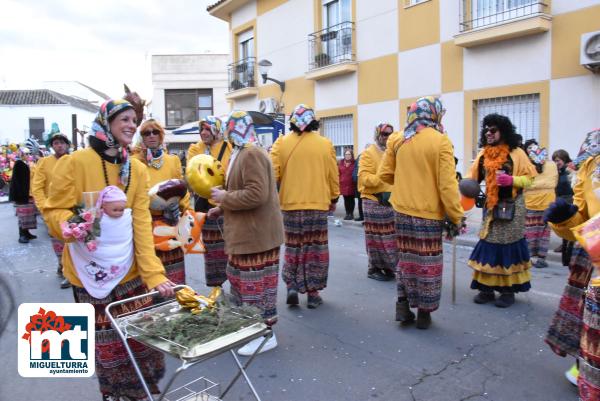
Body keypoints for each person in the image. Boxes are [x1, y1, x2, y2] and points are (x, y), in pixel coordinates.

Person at [44, 99, 174, 401]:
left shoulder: (137, 170)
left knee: (142, 342)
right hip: (88, 274)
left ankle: (141, 394)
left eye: (133, 119)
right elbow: (53, 210)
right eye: (124, 119)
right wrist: (68, 224)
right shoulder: (75, 162)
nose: (131, 125)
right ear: (106, 123)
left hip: (130, 272)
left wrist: (154, 274)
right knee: (108, 349)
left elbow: (141, 223)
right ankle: (116, 395)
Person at [379, 96, 463, 329]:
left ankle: (403, 306)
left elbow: (384, 175)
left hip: (402, 211)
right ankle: (424, 313)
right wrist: (456, 216)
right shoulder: (441, 141)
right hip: (428, 214)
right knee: (428, 264)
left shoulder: (398, 139)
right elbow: (447, 186)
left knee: (405, 260)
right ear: (434, 114)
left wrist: (406, 178)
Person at [209, 110, 284, 356]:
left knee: (256, 289)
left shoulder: (250, 153)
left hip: (256, 237)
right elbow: (244, 190)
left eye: (227, 129)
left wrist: (224, 197)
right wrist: (221, 208)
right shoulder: (243, 151)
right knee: (245, 286)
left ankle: (264, 335)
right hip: (250, 235)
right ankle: (252, 330)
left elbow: (256, 194)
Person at [545, 129, 600, 392]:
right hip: (595, 257)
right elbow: (584, 220)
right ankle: (585, 368)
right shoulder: (590, 162)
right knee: (591, 326)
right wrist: (565, 217)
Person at [270, 104, 340, 309]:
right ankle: (313, 293)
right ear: (313, 122)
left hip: (290, 206)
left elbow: (273, 175)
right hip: (317, 205)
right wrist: (334, 199)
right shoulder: (325, 144)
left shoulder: (280, 144)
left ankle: (292, 285)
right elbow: (332, 176)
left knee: (293, 247)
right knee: (315, 249)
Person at [467, 113, 537, 308]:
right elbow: (472, 179)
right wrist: (461, 185)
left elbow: (531, 179)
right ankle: (486, 289)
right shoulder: (483, 154)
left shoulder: (517, 153)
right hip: (490, 207)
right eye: (486, 129)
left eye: (493, 130)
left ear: (503, 131)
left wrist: (513, 180)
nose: (488, 133)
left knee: (508, 245)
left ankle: (507, 291)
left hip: (513, 206)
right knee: (488, 243)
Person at [133, 119, 189, 284]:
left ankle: (177, 302)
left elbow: (181, 188)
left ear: (161, 135)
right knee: (151, 270)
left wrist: (182, 209)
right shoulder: (134, 161)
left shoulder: (172, 160)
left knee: (175, 272)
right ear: (141, 137)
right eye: (146, 133)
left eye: (155, 132)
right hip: (146, 224)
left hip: (171, 222)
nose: (151, 136)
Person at [187, 116, 232, 287]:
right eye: (201, 129)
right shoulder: (195, 149)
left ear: (216, 130)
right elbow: (193, 174)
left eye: (207, 129)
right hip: (207, 207)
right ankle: (216, 288)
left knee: (232, 248)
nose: (203, 133)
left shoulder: (229, 147)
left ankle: (234, 283)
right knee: (212, 251)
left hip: (227, 205)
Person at [31, 123, 71, 289]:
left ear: (67, 144)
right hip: (52, 210)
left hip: (71, 209)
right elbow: (37, 187)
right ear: (52, 146)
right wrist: (43, 207)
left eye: (62, 142)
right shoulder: (44, 162)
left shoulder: (74, 160)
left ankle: (69, 272)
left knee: (73, 241)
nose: (59, 145)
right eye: (56, 143)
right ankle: (62, 266)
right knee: (58, 241)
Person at [358, 123, 397, 282]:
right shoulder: (368, 153)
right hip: (373, 200)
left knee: (389, 238)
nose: (387, 137)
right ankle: (373, 268)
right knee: (375, 237)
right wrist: (382, 180)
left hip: (390, 202)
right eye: (384, 134)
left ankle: (387, 266)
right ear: (378, 135)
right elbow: (364, 178)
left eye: (390, 134)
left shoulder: (392, 153)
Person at [523, 139, 557, 269]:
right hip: (548, 202)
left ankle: (532, 257)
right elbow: (554, 181)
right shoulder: (551, 164)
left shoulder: (526, 165)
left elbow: (525, 183)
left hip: (531, 202)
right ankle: (541, 258)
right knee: (544, 232)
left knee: (531, 231)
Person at [9, 138, 40, 244]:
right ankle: (22, 235)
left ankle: (27, 233)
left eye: (28, 154)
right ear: (21, 154)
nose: (28, 155)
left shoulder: (30, 164)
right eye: (26, 154)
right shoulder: (19, 164)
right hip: (23, 195)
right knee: (22, 216)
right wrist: (19, 195)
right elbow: (16, 182)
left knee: (30, 215)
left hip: (30, 193)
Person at [552, 149, 576, 265]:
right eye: (555, 161)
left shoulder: (569, 170)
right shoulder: (557, 172)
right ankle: (566, 258)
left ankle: (570, 257)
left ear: (564, 159)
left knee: (571, 229)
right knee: (564, 229)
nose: (556, 163)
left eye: (558, 160)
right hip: (561, 202)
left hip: (570, 202)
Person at [339, 148, 356, 220]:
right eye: (346, 154)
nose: (347, 156)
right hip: (343, 184)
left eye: (349, 154)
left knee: (351, 200)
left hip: (351, 184)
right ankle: (347, 213)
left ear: (351, 155)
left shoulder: (354, 163)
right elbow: (338, 173)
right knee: (345, 199)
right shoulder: (341, 162)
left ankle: (351, 214)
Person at [353, 150, 364, 222]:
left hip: (366, 183)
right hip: (358, 182)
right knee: (360, 201)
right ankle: (361, 216)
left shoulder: (370, 157)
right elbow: (355, 168)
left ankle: (366, 218)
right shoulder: (359, 157)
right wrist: (354, 177)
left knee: (366, 201)